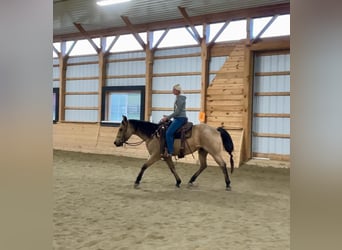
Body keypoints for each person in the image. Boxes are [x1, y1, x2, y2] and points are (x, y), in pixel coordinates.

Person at [160, 84, 188, 157]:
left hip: (180, 118)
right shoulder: (178, 98)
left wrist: (167, 118)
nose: (172, 91)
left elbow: (177, 112)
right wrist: (168, 117)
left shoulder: (179, 99)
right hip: (178, 118)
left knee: (168, 133)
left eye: (173, 90)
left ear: (177, 91)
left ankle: (170, 151)